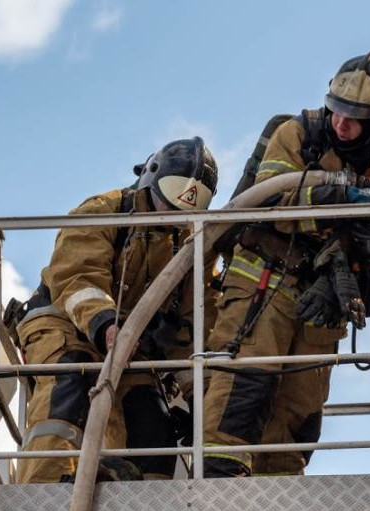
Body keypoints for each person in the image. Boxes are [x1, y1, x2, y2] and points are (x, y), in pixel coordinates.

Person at [202, 50, 370, 477]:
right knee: (248, 379)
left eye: (355, 117)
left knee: (302, 401)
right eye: (337, 110)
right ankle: (220, 475)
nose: (341, 124)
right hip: (265, 278)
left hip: (331, 293)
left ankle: (278, 488)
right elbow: (270, 201)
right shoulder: (297, 133)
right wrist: (345, 200)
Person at [12, 137, 218, 483]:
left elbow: (191, 327)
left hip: (129, 343)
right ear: (151, 177)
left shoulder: (189, 244)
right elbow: (77, 278)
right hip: (64, 324)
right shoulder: (103, 211)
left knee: (153, 421)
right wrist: (106, 323)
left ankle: (148, 504)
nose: (173, 215)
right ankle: (46, 485)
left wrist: (201, 400)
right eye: (169, 199)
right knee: (69, 386)